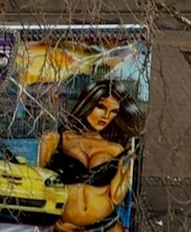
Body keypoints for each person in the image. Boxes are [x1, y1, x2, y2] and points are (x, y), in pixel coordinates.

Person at [38, 82, 139, 232]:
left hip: (107, 227)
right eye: (101, 107)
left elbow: (117, 197)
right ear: (87, 103)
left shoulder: (116, 149)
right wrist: (51, 221)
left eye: (114, 111)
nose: (106, 116)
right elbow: (40, 187)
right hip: (63, 227)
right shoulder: (54, 140)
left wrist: (129, 162)